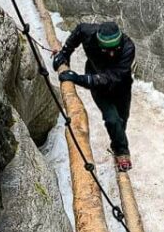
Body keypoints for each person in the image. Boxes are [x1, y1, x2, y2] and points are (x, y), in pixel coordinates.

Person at [53, 21, 135, 172]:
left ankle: (116, 143)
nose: (111, 53)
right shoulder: (89, 33)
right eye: (106, 50)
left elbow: (112, 77)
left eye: (115, 49)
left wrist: (79, 79)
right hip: (98, 84)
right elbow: (78, 31)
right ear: (98, 42)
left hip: (120, 85)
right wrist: (65, 53)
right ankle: (122, 152)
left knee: (122, 120)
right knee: (112, 119)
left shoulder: (128, 47)